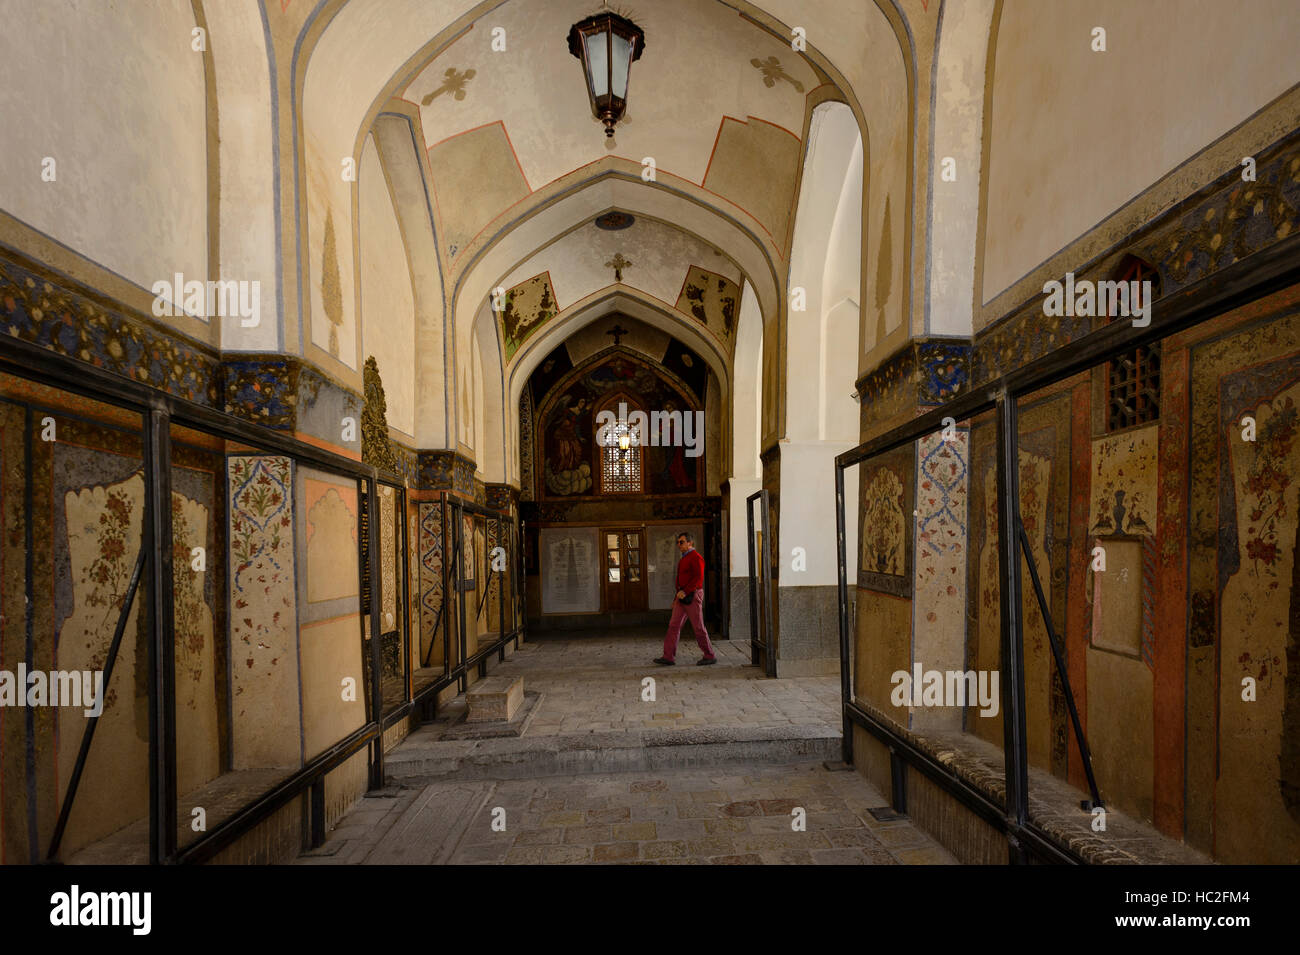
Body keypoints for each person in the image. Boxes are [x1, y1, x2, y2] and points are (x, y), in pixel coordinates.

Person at [654, 532, 717, 666]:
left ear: (690, 543)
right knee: (673, 625)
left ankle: (709, 655)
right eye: (678, 542)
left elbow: (698, 579)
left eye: (681, 542)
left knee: (698, 627)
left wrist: (686, 591)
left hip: (692, 596)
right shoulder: (684, 558)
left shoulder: (696, 557)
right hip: (682, 597)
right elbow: (680, 581)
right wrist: (675, 598)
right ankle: (668, 657)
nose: (678, 545)